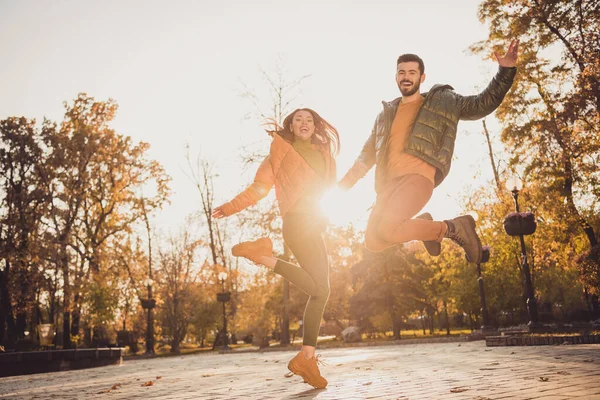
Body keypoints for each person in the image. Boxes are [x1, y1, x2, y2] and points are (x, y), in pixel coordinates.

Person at [339, 40, 519, 263]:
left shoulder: (443, 101)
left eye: (412, 72)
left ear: (422, 77)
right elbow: (365, 157)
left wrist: (505, 71)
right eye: (401, 72)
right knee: (373, 241)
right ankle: (425, 225)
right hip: (389, 186)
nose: (406, 77)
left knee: (387, 230)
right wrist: (339, 189)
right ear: (396, 77)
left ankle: (454, 227)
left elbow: (481, 104)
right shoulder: (384, 116)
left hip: (418, 178)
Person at [212, 108, 340, 389]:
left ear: (315, 125)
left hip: (313, 224)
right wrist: (230, 207)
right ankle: (261, 255)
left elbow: (330, 189)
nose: (304, 123)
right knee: (321, 290)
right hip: (296, 223)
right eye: (298, 120)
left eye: (309, 119)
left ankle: (307, 358)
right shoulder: (279, 153)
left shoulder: (325, 153)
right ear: (291, 126)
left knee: (320, 291)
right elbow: (259, 188)